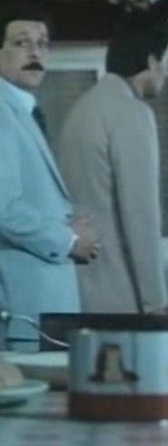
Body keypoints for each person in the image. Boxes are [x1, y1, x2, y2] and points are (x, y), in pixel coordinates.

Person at [0, 2, 98, 344]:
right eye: (21, 43)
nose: (35, 53)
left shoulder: (19, 110)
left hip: (38, 295)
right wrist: (68, 240)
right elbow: (1, 208)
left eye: (43, 44)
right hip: (21, 296)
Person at [59, 18, 168, 313]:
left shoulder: (83, 108)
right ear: (151, 61)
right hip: (122, 294)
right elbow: (140, 214)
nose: (165, 74)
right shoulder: (131, 112)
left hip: (81, 289)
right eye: (165, 63)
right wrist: (156, 301)